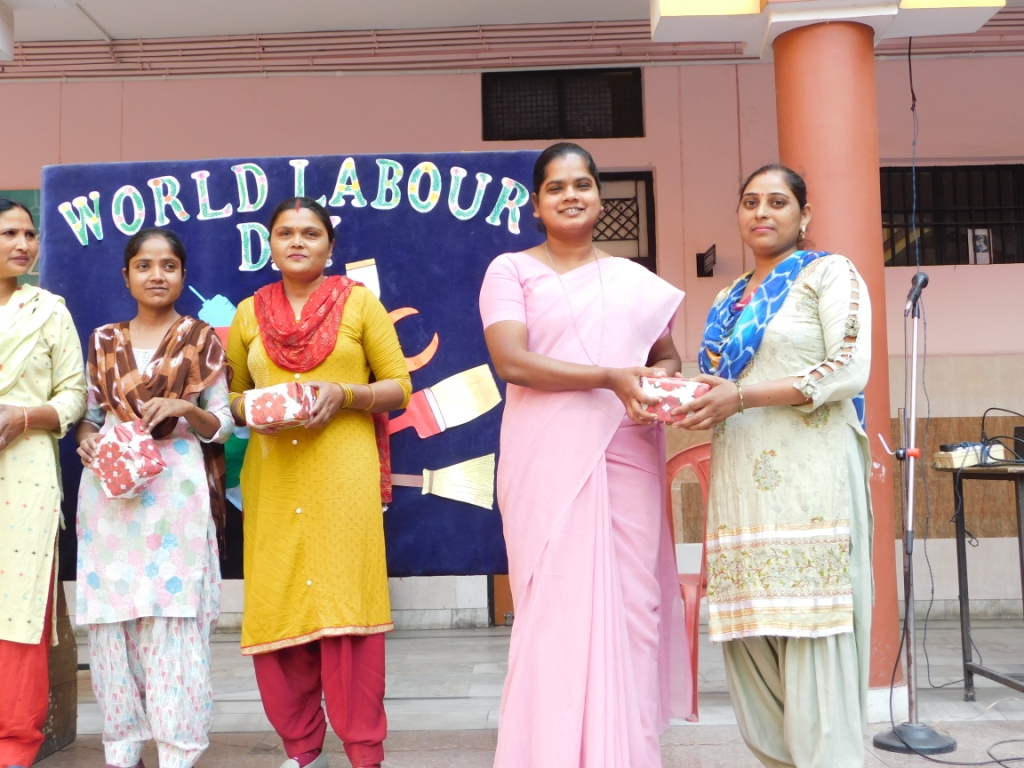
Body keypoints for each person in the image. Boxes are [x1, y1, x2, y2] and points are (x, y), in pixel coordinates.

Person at [479, 143, 692, 767]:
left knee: (632, 608)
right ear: (535, 204)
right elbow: (511, 360)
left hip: (626, 449)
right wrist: (609, 377)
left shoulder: (632, 280)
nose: (570, 195)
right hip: (545, 458)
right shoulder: (510, 271)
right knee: (555, 611)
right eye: (556, 187)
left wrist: (655, 385)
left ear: (600, 196)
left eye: (582, 185)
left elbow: (665, 356)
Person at [677, 164, 873, 768]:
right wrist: (677, 399)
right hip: (741, 492)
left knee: (814, 630)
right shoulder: (729, 298)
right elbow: (720, 383)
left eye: (777, 201)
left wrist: (740, 397)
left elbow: (848, 368)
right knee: (752, 637)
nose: (761, 212)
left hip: (811, 484)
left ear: (804, 215)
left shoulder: (828, 274)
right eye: (750, 201)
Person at [226, 197, 411, 768]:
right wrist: (257, 408)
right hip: (274, 481)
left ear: (331, 246)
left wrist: (346, 394)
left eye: (310, 233)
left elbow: (399, 387)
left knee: (346, 609)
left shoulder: (360, 303)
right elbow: (230, 397)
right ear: (270, 245)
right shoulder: (248, 314)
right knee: (280, 606)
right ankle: (303, 751)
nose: (297, 242)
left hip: (343, 481)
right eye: (286, 233)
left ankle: (363, 752)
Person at [75, 227, 232, 768]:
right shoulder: (103, 341)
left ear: (183, 275)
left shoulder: (201, 338)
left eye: (168, 265)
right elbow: (89, 416)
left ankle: (178, 752)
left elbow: (223, 425)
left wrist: (185, 408)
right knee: (111, 626)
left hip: (175, 497)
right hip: (110, 496)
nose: (157, 275)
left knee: (174, 622)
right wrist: (86, 438)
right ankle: (122, 751)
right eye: (144, 265)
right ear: (126, 276)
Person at [0, 198, 87, 768]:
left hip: (26, 472)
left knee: (19, 605)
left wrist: (25, 417)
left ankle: (14, 742)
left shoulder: (49, 311)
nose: (23, 244)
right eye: (10, 233)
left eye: (29, 234)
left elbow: (75, 394)